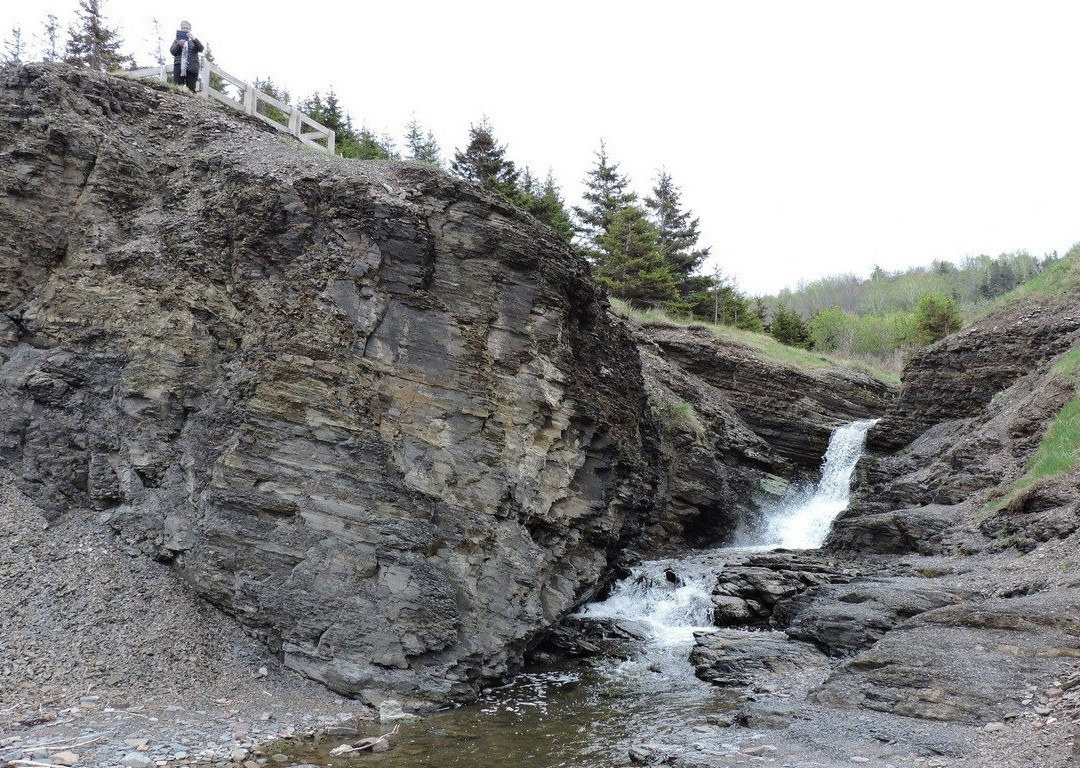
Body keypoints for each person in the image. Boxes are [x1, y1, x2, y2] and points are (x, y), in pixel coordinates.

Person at [169, 21, 204, 92]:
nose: (185, 29)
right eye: (183, 28)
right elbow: (173, 52)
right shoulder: (177, 41)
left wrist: (193, 39)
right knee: (177, 88)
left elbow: (201, 48)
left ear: (190, 30)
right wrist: (179, 45)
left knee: (191, 89)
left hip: (192, 67)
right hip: (179, 66)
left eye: (186, 28)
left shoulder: (194, 41)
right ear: (180, 29)